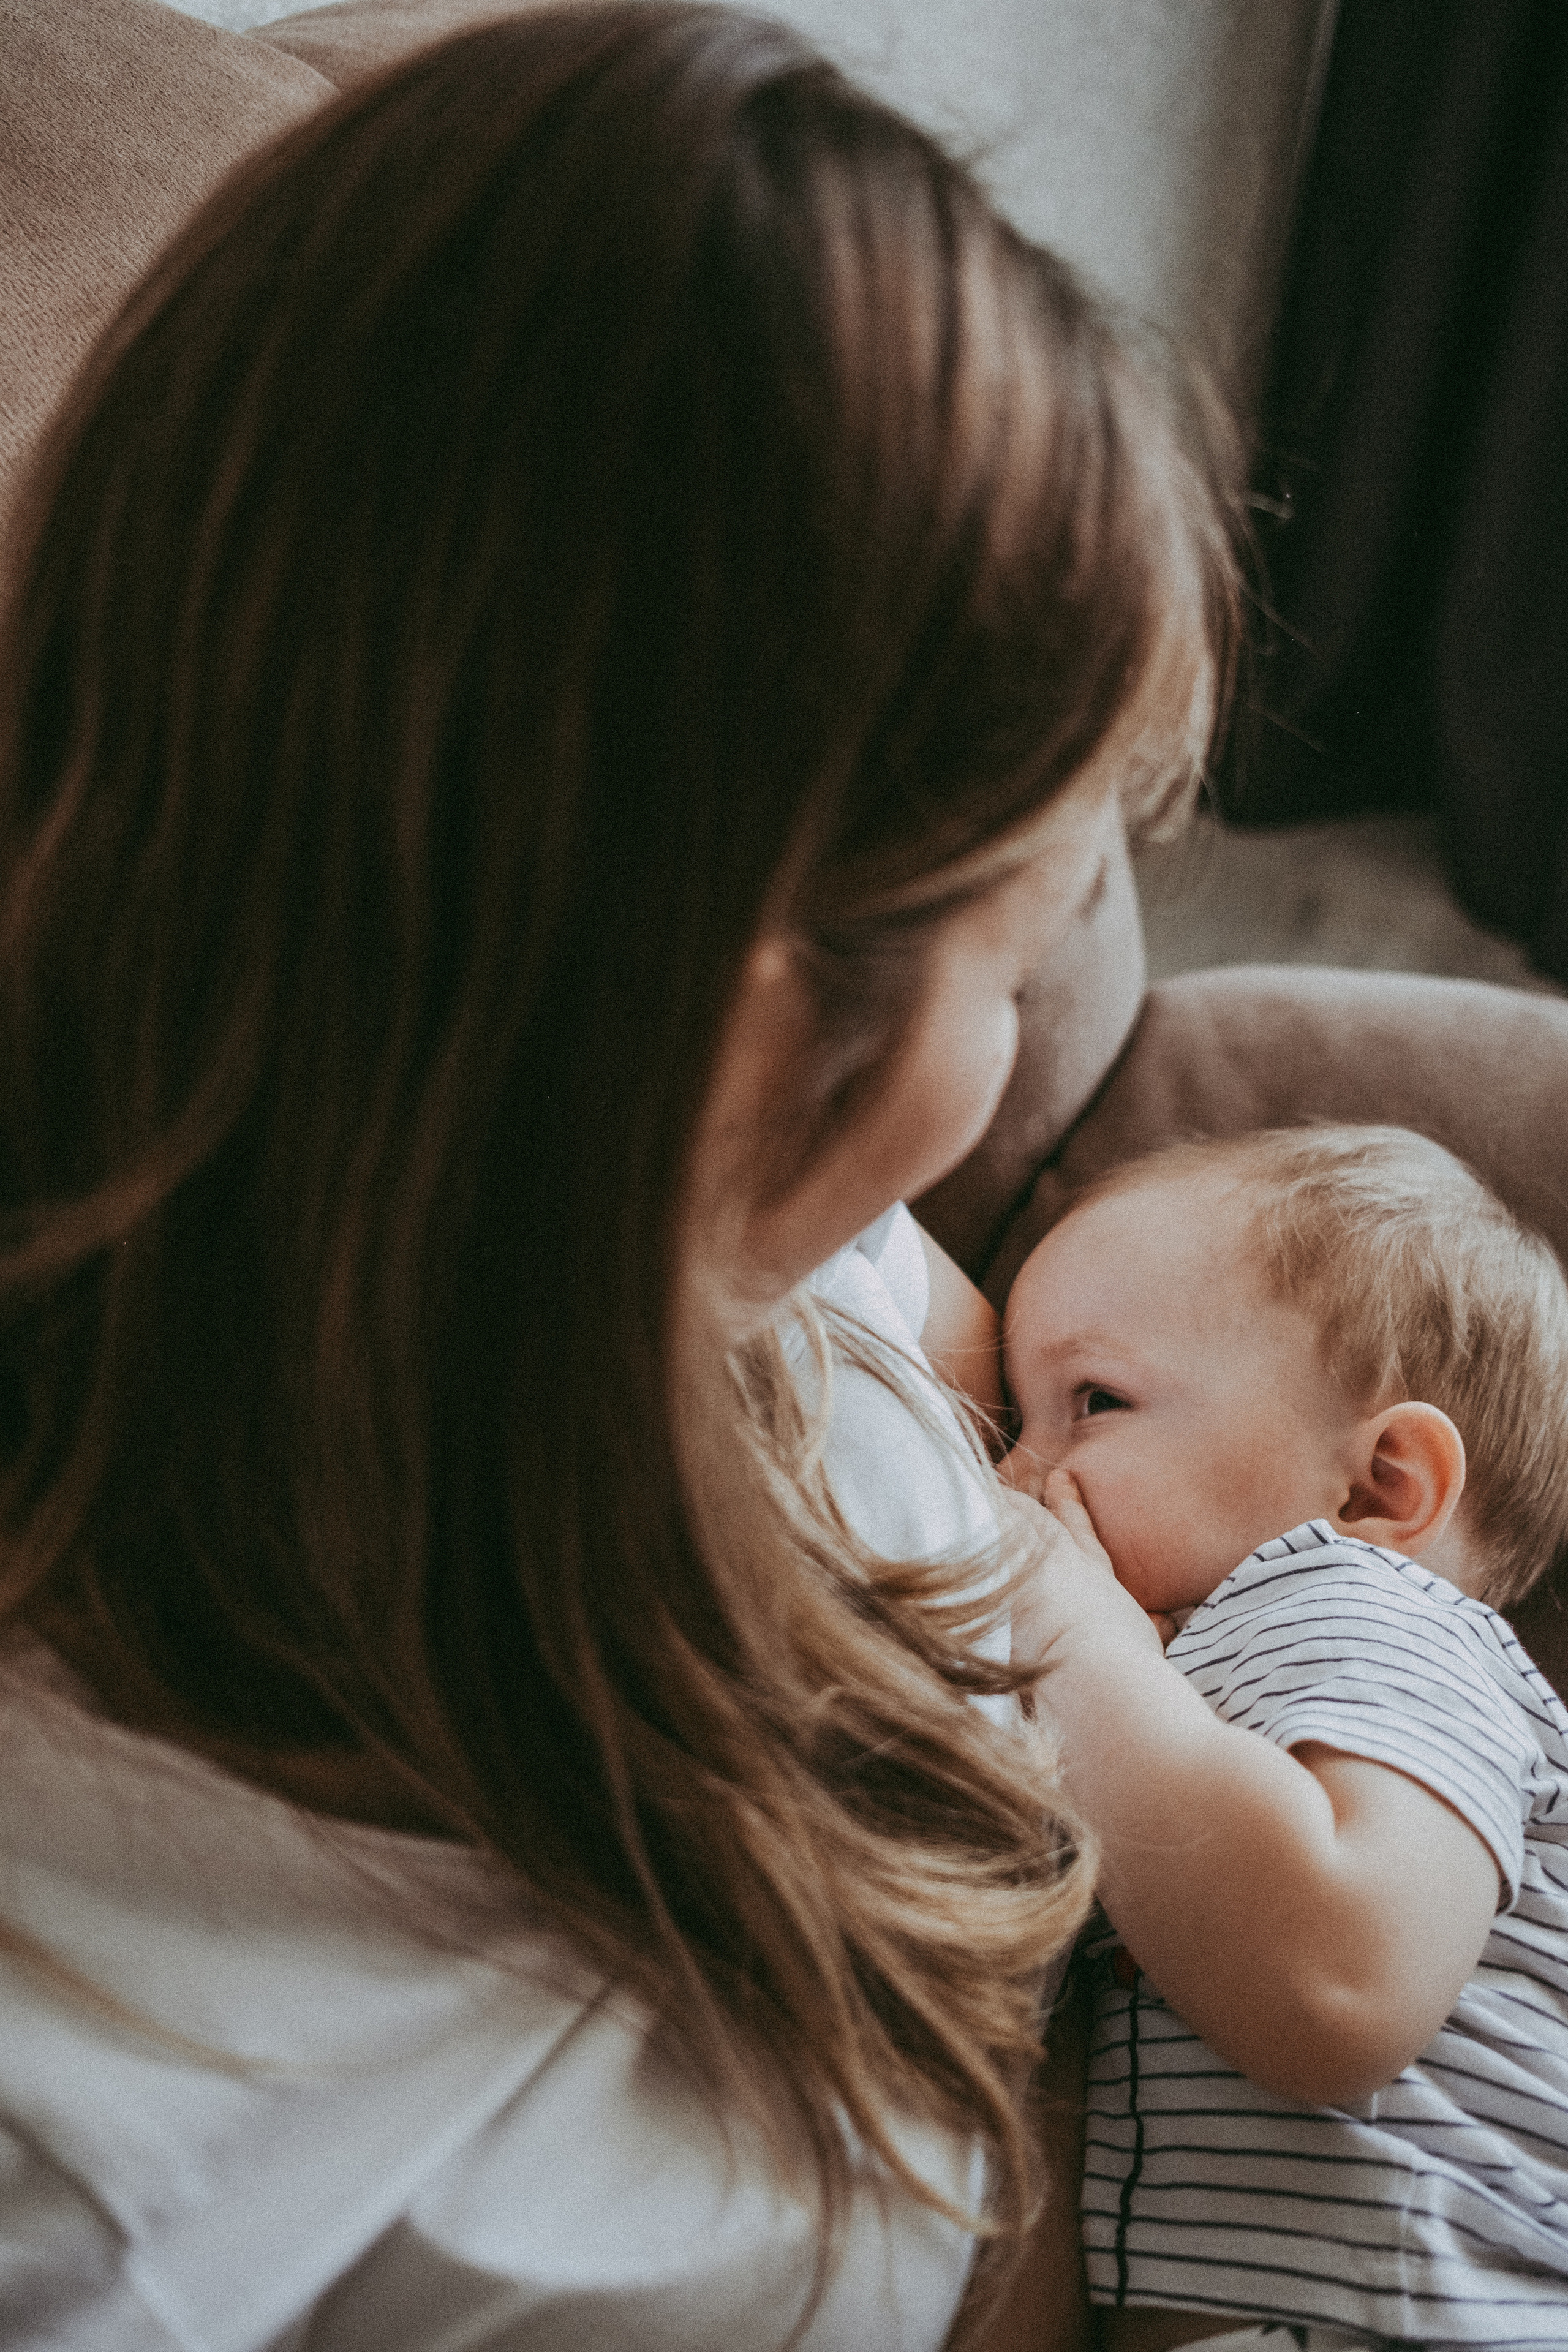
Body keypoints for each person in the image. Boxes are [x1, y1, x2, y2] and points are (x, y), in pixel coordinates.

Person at [0, 5, 1239, 2345]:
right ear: (750, 1038)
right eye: (1019, 927)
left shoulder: (679, 1227)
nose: (992, 1094)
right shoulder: (108, 2176)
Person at [1001, 1122, 1568, 2352]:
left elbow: (1339, 1979)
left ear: (1376, 1490)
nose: (1019, 1470)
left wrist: (1070, 1625)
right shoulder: (1198, 1671)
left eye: (1091, 1402)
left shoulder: (1367, 1610)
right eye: (1017, 1417)